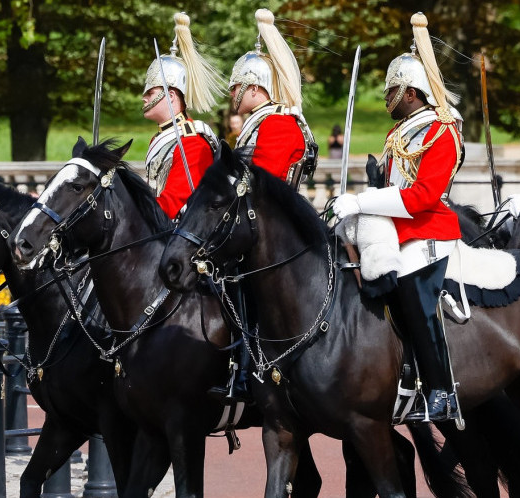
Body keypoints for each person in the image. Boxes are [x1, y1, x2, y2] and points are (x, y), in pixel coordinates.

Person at [333, 13, 465, 423]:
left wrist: (363, 202)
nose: (387, 97)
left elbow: (423, 197)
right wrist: (374, 184)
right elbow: (397, 182)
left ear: (410, 92)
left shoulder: (441, 131)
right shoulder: (401, 132)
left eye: (392, 90)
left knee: (411, 288)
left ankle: (441, 389)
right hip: (395, 228)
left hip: (428, 231)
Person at [141, 12, 225, 219]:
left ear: (170, 95)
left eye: (150, 93)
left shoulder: (192, 141)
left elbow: (174, 204)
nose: (143, 98)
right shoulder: (165, 137)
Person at [228, 9, 318, 187]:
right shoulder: (264, 120)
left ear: (253, 88)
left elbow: (259, 182)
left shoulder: (277, 123)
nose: (232, 93)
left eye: (236, 87)